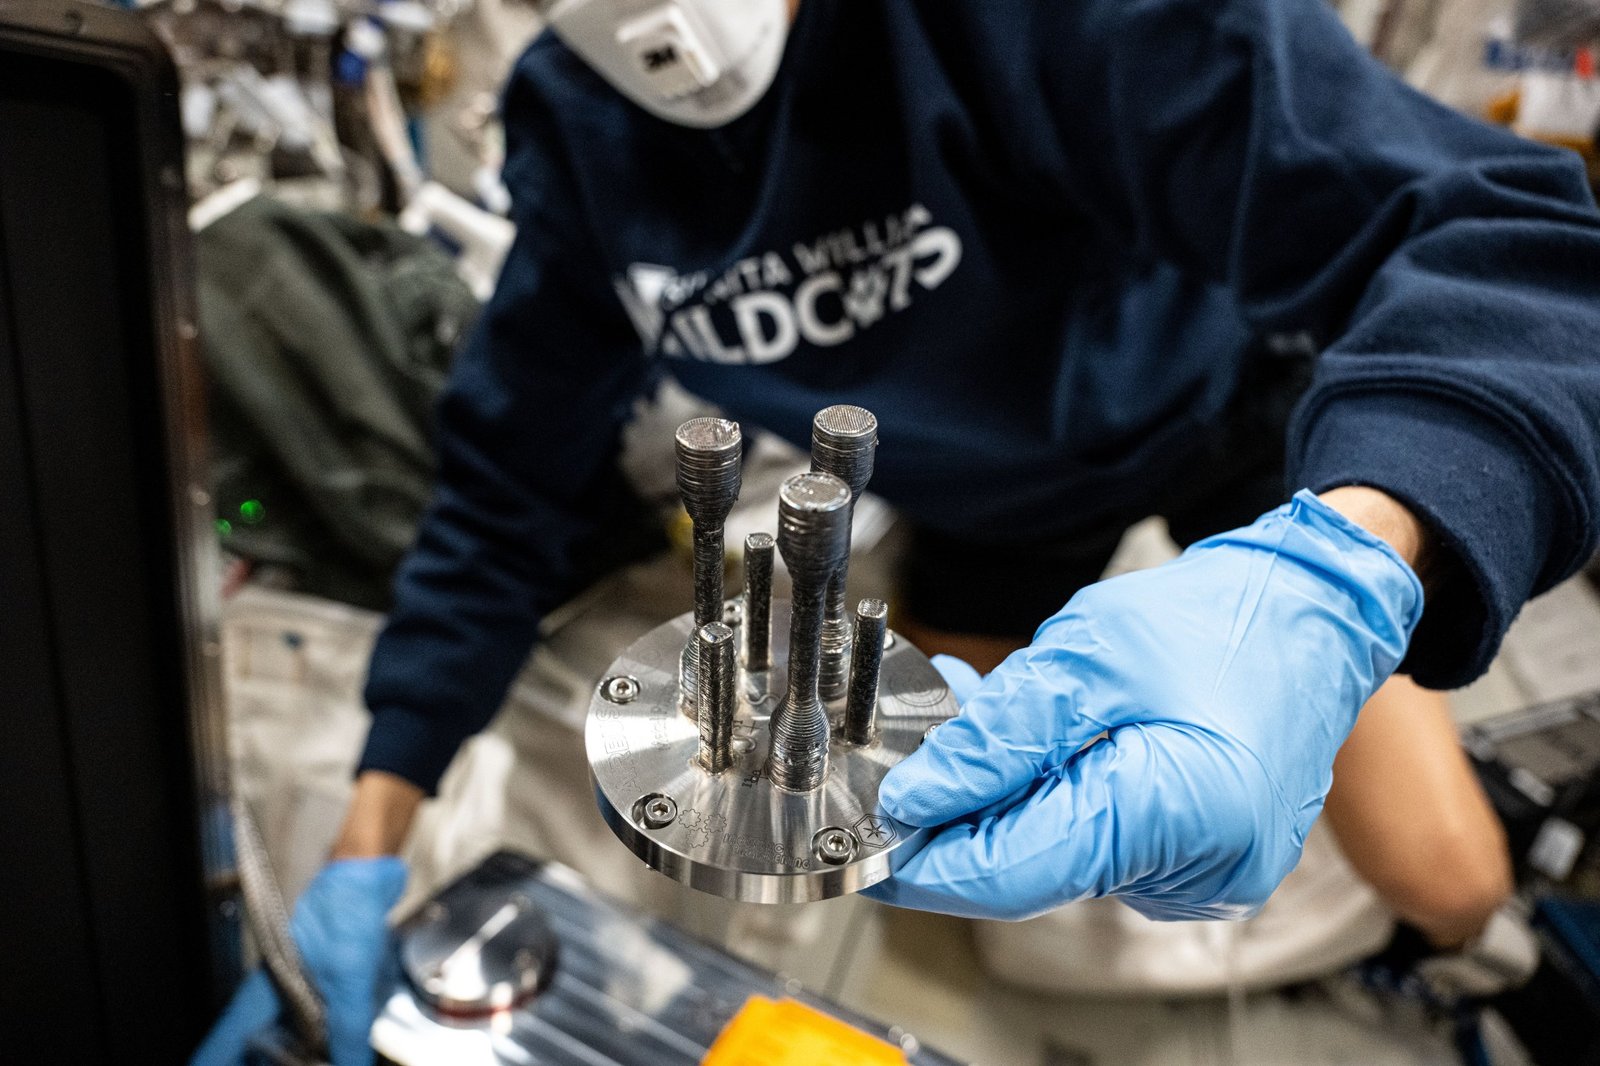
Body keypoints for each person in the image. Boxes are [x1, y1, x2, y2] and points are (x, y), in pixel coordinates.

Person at [193, 0, 1600, 1062]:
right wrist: (374, 821)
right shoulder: (580, 129)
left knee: (1444, 867)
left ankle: (1493, 960)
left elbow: (1511, 244)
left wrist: (1339, 567)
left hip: (1228, 425)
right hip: (987, 504)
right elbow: (498, 482)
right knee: (960, 843)